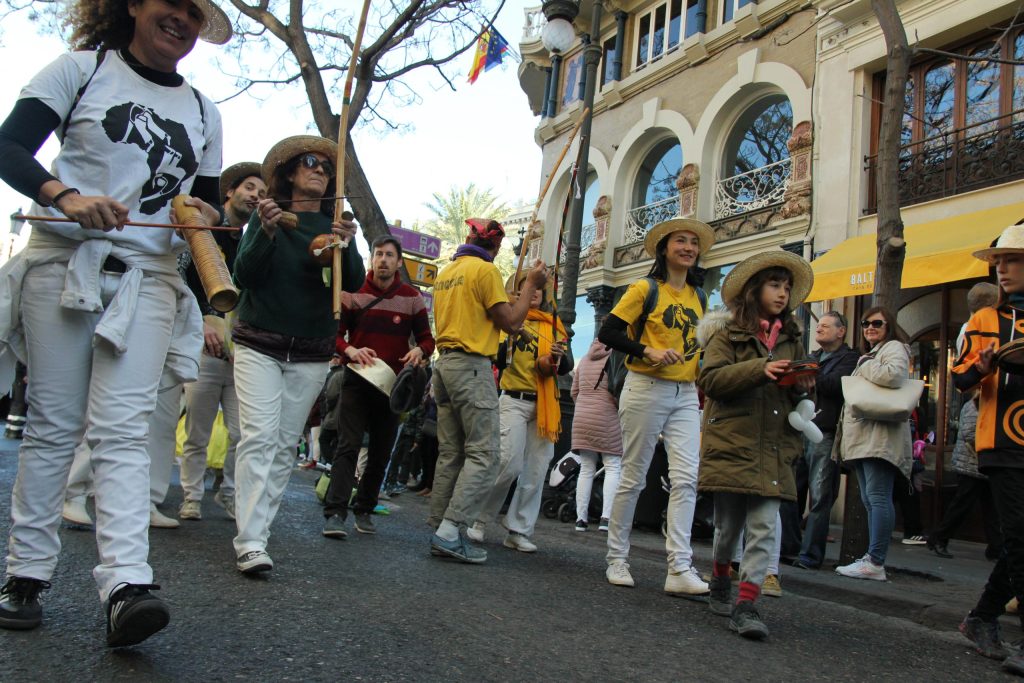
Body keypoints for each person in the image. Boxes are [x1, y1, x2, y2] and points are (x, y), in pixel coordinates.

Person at [0, 0, 231, 647]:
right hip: (62, 264)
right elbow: (9, 146)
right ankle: (25, 574)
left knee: (125, 431)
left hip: (149, 279)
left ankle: (127, 584)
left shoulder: (205, 111)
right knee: (53, 423)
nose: (181, 19)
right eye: (170, 3)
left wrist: (217, 216)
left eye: (194, 12)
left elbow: (204, 205)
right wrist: (66, 198)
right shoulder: (79, 70)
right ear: (134, 4)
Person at [231, 135, 364, 575]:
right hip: (259, 344)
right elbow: (244, 274)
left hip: (310, 351)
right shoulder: (267, 217)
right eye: (310, 161)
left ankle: (259, 532)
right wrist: (266, 232)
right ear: (289, 173)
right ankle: (250, 541)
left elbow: (354, 282)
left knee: (284, 444)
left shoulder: (334, 226)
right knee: (258, 437)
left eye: (326, 166)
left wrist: (349, 244)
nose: (320, 169)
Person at [697, 249, 814, 640]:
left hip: (774, 445)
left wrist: (802, 385)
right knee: (728, 527)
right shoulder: (727, 334)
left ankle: (746, 604)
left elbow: (797, 393)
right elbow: (711, 380)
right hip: (734, 441)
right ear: (754, 290)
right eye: (774, 285)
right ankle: (720, 577)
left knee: (764, 526)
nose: (782, 293)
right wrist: (760, 369)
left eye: (786, 287)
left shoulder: (791, 339)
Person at [597, 217, 712, 594]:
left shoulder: (700, 297)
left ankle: (679, 568)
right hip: (646, 386)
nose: (689, 248)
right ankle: (617, 557)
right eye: (681, 241)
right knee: (634, 476)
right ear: (664, 249)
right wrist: (647, 350)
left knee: (687, 479)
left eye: (694, 242)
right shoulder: (644, 288)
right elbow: (608, 332)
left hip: (686, 394)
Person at [426, 218, 548, 564]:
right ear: (496, 246)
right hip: (470, 367)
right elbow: (510, 321)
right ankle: (450, 532)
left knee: (451, 452)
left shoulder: (449, 272)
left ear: (469, 238)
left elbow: (487, 316)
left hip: (444, 366)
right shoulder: (485, 270)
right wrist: (531, 284)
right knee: (485, 454)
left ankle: (440, 528)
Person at [322, 234, 434, 538]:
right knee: (348, 447)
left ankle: (365, 509)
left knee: (381, 452)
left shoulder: (412, 298)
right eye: (378, 254)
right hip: (356, 381)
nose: (383, 260)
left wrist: (419, 351)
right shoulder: (353, 291)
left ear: (398, 262)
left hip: (392, 389)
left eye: (389, 255)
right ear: (372, 258)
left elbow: (427, 340)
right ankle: (335, 514)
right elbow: (335, 335)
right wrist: (350, 350)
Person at [953, 223, 1024, 673]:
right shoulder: (984, 320)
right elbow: (960, 379)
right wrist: (981, 368)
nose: (1002, 269)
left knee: (1021, 540)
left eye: (1012, 260)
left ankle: (982, 617)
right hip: (1000, 440)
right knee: (1019, 536)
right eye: (999, 261)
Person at [178, 162, 265, 522]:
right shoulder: (205, 226)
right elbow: (180, 273)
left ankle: (228, 493)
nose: (256, 196)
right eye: (250, 187)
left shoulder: (253, 241)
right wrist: (200, 321)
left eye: (262, 193)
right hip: (201, 347)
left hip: (240, 353)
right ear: (230, 191)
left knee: (242, 433)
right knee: (196, 431)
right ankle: (191, 496)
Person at [466, 274, 570, 552]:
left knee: (537, 469)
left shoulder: (554, 324)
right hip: (513, 399)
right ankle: (478, 518)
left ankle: (519, 530)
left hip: (545, 404)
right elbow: (498, 359)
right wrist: (511, 335)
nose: (534, 292)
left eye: (538, 288)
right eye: (527, 287)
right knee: (507, 463)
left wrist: (557, 356)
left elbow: (564, 366)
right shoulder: (507, 321)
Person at [833, 306, 913, 582]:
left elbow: (893, 375)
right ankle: (872, 558)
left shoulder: (893, 348)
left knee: (878, 497)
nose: (869, 328)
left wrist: (866, 363)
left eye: (877, 323)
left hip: (879, 436)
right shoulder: (875, 352)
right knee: (871, 498)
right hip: (867, 436)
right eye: (865, 323)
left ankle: (876, 561)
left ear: (889, 325)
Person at [793, 311, 858, 569]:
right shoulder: (812, 356)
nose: (818, 328)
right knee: (792, 491)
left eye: (825, 325)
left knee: (820, 496)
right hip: (800, 429)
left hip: (825, 431)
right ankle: (789, 547)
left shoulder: (849, 358)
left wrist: (808, 374)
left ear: (841, 331)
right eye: (818, 325)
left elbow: (836, 385)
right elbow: (796, 383)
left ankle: (810, 555)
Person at [928, 392, 1002, 559]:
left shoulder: (988, 405)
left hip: (984, 466)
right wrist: (996, 445)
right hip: (971, 465)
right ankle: (939, 538)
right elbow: (970, 434)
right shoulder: (974, 405)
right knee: (963, 506)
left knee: (991, 509)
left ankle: (996, 547)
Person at [569, 337, 623, 532]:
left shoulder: (584, 359)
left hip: (582, 417)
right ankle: (606, 518)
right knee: (613, 466)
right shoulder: (615, 358)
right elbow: (618, 390)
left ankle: (580, 519)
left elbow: (574, 392)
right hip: (607, 416)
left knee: (586, 468)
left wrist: (585, 406)